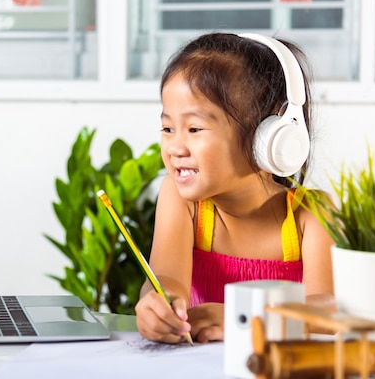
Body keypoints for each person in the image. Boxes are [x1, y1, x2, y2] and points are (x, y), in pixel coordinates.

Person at [134, 32, 336, 344]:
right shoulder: (180, 199)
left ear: (268, 138)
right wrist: (157, 303)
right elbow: (168, 279)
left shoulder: (311, 215)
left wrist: (247, 318)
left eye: (194, 129)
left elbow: (328, 314)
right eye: (167, 128)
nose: (175, 147)